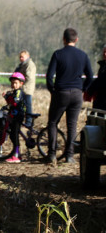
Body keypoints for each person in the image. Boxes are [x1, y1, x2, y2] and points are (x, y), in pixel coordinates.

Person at [46, 28, 93, 164]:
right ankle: (69, 155)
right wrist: (83, 88)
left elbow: (49, 76)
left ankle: (52, 154)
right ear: (76, 39)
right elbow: (90, 76)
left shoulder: (58, 54)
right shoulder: (83, 55)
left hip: (61, 92)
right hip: (77, 93)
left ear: (64, 39)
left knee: (53, 122)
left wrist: (52, 91)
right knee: (72, 125)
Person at [3, 72, 26, 163]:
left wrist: (9, 97)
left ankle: (16, 155)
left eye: (16, 83)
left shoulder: (19, 92)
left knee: (14, 134)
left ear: (21, 83)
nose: (13, 85)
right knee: (13, 134)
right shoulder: (15, 92)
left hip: (18, 115)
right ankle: (17, 153)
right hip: (14, 114)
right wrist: (6, 97)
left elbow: (15, 102)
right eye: (12, 83)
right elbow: (10, 103)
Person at [14, 50, 36, 127]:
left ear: (27, 56)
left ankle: (29, 122)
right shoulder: (22, 65)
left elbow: (29, 77)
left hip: (27, 89)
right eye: (20, 57)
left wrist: (21, 84)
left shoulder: (29, 65)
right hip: (23, 88)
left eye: (22, 57)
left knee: (28, 105)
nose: (21, 58)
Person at [85, 45, 106, 110]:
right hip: (99, 101)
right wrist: (89, 91)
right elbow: (99, 81)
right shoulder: (102, 66)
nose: (105, 54)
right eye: (104, 52)